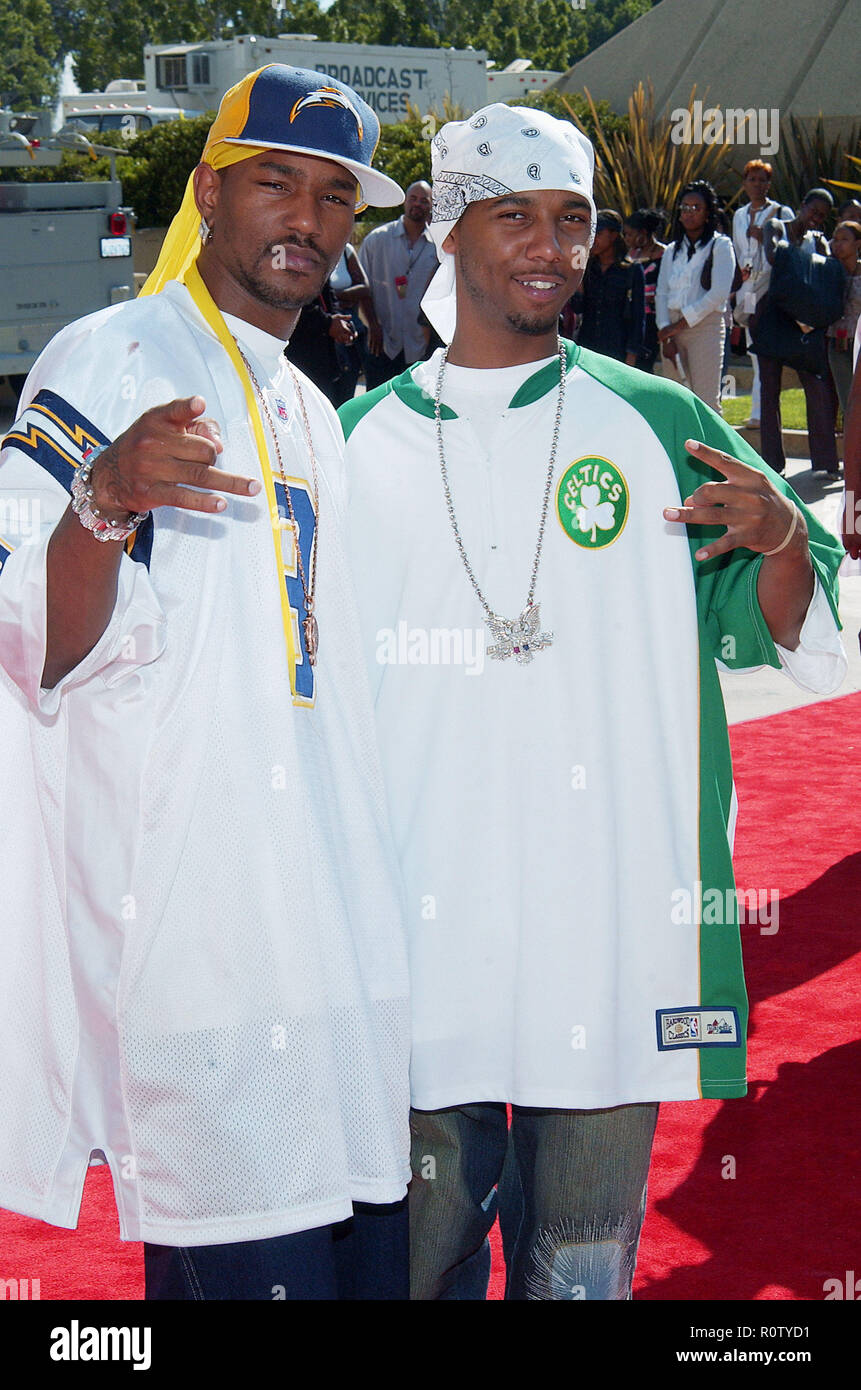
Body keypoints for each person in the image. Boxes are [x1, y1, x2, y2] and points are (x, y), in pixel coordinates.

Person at [338, 102, 846, 1301]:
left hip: (612, 931)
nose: (550, 246)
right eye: (513, 214)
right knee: (417, 1257)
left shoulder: (661, 421)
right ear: (448, 228)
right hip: (423, 934)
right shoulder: (351, 448)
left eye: (571, 219)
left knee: (580, 1269)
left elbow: (788, 625)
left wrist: (781, 535)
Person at [0, 64, 412, 1300]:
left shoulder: (311, 410)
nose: (307, 217)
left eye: (335, 195)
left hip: (333, 951)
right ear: (207, 193)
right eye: (274, 182)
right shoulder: (109, 354)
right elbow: (35, 636)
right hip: (198, 956)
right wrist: (104, 497)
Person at [757, 189, 838, 476]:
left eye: (821, 216)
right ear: (801, 206)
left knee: (817, 389)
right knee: (769, 392)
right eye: (813, 211)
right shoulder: (776, 225)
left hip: (805, 323)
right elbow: (772, 255)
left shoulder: (818, 241)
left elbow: (830, 272)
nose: (815, 219)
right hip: (775, 317)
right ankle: (771, 463)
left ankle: (826, 463)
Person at [656, 180, 737, 412]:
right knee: (674, 399)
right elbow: (661, 293)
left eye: (696, 208)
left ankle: (712, 447)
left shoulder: (720, 245)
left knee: (706, 401)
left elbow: (719, 292)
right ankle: (679, 449)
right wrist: (666, 330)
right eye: (685, 208)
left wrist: (682, 323)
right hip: (670, 328)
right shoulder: (671, 251)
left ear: (708, 212)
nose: (689, 213)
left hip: (705, 327)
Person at [730, 161, 793, 427]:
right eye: (752, 180)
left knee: (767, 350)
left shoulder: (781, 212)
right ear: (744, 183)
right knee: (753, 348)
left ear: (769, 184)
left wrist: (762, 237)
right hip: (747, 287)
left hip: (770, 285)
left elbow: (790, 249)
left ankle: (764, 412)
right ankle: (759, 411)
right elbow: (735, 247)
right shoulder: (739, 214)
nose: (757, 185)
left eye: (762, 180)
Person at [358, 180, 438, 388]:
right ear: (404, 202)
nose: (418, 204)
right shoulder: (376, 241)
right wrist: (373, 326)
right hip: (381, 343)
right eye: (413, 198)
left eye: (424, 200)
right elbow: (361, 289)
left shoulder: (439, 248)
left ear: (431, 205)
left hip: (420, 347)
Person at [570, 209, 644, 364]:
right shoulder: (588, 268)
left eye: (598, 233)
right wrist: (578, 277)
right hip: (588, 348)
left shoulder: (631, 271)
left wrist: (632, 354)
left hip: (617, 350)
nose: (593, 239)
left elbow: (638, 318)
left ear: (613, 235)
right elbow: (578, 308)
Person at [623, 208, 666, 372]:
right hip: (633, 318)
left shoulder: (665, 254)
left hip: (653, 321)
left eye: (629, 234)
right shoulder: (630, 255)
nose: (626, 239)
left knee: (645, 364)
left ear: (643, 233)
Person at [827, 220, 861, 418]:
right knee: (848, 402)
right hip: (837, 343)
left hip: (859, 343)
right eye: (835, 239)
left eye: (845, 240)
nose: (838, 244)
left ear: (858, 243)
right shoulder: (827, 271)